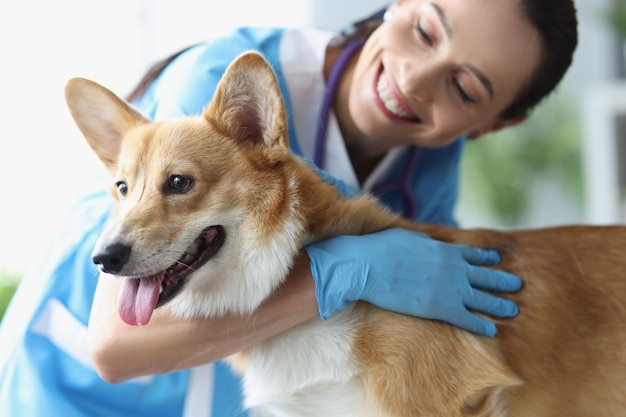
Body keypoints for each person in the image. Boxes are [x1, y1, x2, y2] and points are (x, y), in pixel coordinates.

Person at [0, 0, 578, 415]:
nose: (414, 79)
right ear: (398, 3)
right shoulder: (210, 88)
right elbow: (115, 348)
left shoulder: (430, 159)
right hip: (72, 389)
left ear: (497, 124)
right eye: (425, 31)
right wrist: (340, 275)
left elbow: (417, 320)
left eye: (466, 89)